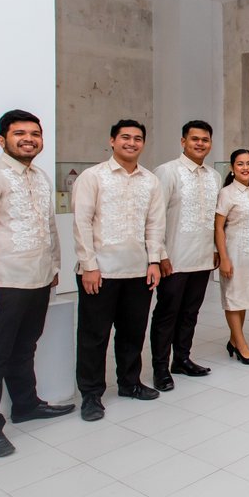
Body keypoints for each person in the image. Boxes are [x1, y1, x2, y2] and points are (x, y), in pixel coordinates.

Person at [0, 109, 73, 457]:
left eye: (35, 134)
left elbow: (49, 226)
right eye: (19, 133)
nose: (29, 139)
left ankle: (26, 405)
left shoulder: (40, 177)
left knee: (25, 348)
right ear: (2, 140)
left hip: (38, 280)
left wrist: (53, 266)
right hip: (3, 282)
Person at [72, 119, 165, 422]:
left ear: (143, 144)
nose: (131, 143)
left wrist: (154, 261)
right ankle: (91, 394)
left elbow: (155, 224)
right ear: (112, 141)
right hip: (100, 271)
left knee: (132, 332)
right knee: (94, 336)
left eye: (137, 138)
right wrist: (88, 266)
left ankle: (130, 382)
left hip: (137, 271)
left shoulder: (151, 181)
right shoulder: (93, 177)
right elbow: (82, 223)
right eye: (125, 137)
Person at [150, 120, 220, 392]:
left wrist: (215, 249)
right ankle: (160, 368)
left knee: (191, 312)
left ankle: (181, 359)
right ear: (183, 141)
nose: (200, 144)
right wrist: (160, 254)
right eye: (195, 139)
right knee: (167, 314)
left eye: (205, 140)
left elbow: (214, 219)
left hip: (202, 258)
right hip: (174, 259)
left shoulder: (214, 176)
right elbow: (155, 217)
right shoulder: (167, 172)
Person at [215, 149, 249, 365]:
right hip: (234, 253)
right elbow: (218, 228)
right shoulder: (227, 193)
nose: (245, 168)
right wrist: (224, 258)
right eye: (240, 164)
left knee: (243, 299)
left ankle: (233, 340)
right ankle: (241, 345)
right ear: (232, 168)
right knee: (234, 299)